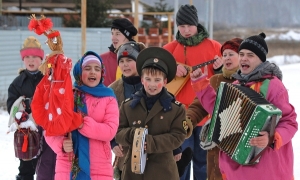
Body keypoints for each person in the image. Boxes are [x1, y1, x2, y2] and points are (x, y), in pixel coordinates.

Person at [190, 32, 297, 180]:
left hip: (267, 169)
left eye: (250, 55)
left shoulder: (273, 86)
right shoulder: (236, 84)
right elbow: (219, 112)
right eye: (241, 54)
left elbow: (289, 122)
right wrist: (201, 84)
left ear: (261, 60)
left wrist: (272, 138)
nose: (244, 58)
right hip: (237, 167)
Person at [110, 42, 192, 179]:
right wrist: (134, 136)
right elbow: (117, 131)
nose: (152, 84)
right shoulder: (127, 106)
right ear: (142, 80)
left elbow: (178, 136)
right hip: (133, 172)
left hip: (163, 171)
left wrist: (150, 143)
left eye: (157, 80)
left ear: (165, 81)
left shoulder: (176, 109)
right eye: (148, 79)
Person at [163, 4, 223, 180]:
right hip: (179, 116)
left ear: (197, 25)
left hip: (207, 116)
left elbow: (228, 78)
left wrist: (220, 69)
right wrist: (171, 69)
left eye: (189, 25)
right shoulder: (169, 49)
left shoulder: (214, 47)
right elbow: (154, 73)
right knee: (180, 160)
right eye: (182, 26)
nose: (186, 30)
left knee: (204, 162)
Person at [45, 51, 119, 179]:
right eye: (87, 68)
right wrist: (61, 144)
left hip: (99, 168)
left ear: (101, 73)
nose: (92, 72)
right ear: (79, 72)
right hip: (68, 166)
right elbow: (50, 130)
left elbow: (110, 131)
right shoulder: (66, 96)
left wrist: (82, 123)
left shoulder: (109, 98)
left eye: (97, 69)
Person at [187, 37, 243, 180]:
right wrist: (188, 120)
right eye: (224, 55)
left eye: (231, 54)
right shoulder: (216, 80)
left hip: (241, 144)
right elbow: (199, 106)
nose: (227, 58)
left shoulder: (249, 81)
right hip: (217, 145)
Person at [6, 36, 52, 180]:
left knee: (47, 164)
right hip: (27, 133)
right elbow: (11, 106)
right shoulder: (17, 83)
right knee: (26, 166)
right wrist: (21, 110)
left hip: (46, 130)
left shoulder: (48, 78)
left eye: (35, 57)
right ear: (23, 59)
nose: (31, 61)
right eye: (27, 57)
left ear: (41, 59)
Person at [100, 18, 138, 86]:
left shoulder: (139, 58)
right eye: (112, 34)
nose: (113, 38)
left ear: (127, 36)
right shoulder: (101, 59)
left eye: (117, 34)